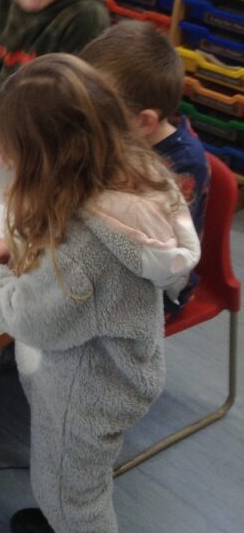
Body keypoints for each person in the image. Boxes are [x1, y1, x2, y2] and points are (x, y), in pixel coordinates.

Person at [0, 54, 200, 533]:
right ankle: (60, 519)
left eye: (11, 149)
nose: (0, 158)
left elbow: (32, 316)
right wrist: (22, 246)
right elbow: (68, 235)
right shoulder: (120, 173)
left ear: (48, 158)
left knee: (76, 489)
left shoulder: (87, 248)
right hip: (106, 369)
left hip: (90, 387)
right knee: (66, 474)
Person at [81, 20, 210, 318]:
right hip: (107, 252)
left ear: (143, 121)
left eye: (96, 109)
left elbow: (161, 252)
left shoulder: (183, 164)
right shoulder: (119, 130)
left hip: (155, 289)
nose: (85, 117)